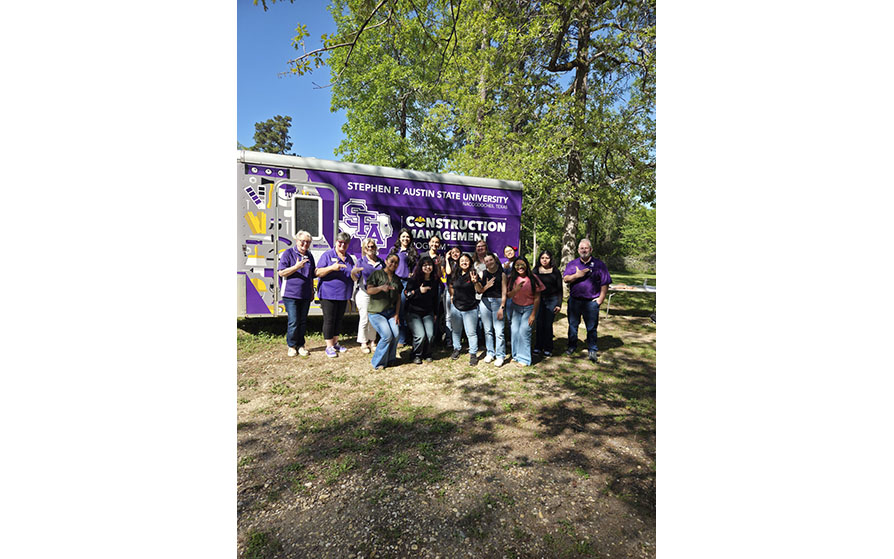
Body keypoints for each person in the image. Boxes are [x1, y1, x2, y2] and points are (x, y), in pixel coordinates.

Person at [563, 238, 611, 363]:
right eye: (581, 248)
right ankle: (572, 346)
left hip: (591, 302)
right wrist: (577, 275)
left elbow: (605, 283)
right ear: (578, 250)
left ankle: (592, 349)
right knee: (573, 325)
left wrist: (600, 299)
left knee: (591, 327)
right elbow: (566, 279)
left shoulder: (599, 264)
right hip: (575, 301)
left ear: (591, 249)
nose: (584, 250)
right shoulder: (572, 264)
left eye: (586, 248)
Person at [315, 232, 356, 358]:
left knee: (338, 319)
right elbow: (318, 272)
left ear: (348, 245)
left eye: (345, 243)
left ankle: (335, 343)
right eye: (340, 242)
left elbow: (352, 274)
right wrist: (332, 268)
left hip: (343, 294)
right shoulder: (328, 255)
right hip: (328, 294)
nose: (342, 245)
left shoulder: (349, 258)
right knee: (329, 320)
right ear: (336, 242)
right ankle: (329, 347)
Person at [277, 230, 315, 357]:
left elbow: (311, 275)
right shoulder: (288, 253)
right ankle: (291, 346)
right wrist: (296, 267)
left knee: (303, 321)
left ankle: (301, 345)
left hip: (305, 294)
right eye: (302, 241)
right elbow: (281, 272)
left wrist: (312, 291)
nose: (305, 244)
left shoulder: (309, 255)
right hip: (290, 294)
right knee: (293, 321)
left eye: (308, 242)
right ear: (297, 241)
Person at [365, 254, 403, 370]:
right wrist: (380, 288)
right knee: (387, 335)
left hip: (390, 313)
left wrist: (396, 314)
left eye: (396, 263)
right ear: (386, 261)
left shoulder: (397, 279)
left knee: (396, 334)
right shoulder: (377, 274)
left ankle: (390, 359)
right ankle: (378, 362)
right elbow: (369, 290)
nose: (393, 264)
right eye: (391, 261)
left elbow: (398, 298)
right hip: (376, 312)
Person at [506, 257, 545, 366]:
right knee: (514, 331)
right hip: (516, 308)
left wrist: (533, 314)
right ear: (514, 267)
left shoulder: (533, 278)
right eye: (517, 265)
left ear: (527, 265)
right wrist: (516, 290)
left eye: (522, 264)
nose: (520, 267)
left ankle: (524, 359)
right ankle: (516, 355)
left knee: (524, 332)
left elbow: (537, 298)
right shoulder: (512, 278)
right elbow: (508, 295)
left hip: (529, 308)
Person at [404, 256, 438, 364]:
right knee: (420, 335)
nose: (428, 267)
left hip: (428, 312)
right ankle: (416, 354)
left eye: (430, 265)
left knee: (430, 335)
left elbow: (436, 299)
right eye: (425, 265)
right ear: (420, 267)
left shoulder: (435, 280)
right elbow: (407, 295)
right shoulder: (414, 279)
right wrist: (419, 290)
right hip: (413, 312)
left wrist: (436, 313)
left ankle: (427, 353)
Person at [448, 253, 480, 366]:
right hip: (456, 307)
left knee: (471, 333)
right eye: (462, 260)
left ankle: (473, 354)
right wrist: (452, 296)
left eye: (466, 260)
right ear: (458, 262)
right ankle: (456, 349)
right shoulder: (455, 274)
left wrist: (475, 282)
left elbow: (479, 290)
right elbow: (450, 285)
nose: (464, 262)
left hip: (470, 308)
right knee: (456, 331)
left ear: (470, 262)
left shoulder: (473, 274)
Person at [388, 228, 418, 347]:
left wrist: (411, 274)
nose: (405, 239)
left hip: (405, 283)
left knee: (401, 311)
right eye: (403, 236)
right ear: (399, 238)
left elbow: (417, 267)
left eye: (408, 237)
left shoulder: (412, 252)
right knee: (390, 310)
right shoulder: (394, 250)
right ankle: (391, 336)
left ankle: (402, 339)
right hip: (393, 283)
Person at [476, 252, 507, 367]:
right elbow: (479, 290)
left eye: (491, 260)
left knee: (499, 331)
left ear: (495, 260)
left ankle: (500, 355)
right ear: (484, 263)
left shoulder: (502, 274)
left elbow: (504, 293)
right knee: (487, 330)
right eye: (487, 261)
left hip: (498, 302)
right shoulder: (482, 273)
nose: (489, 263)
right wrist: (481, 284)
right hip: (485, 303)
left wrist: (502, 307)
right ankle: (490, 353)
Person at [354, 238, 385, 354]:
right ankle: (363, 342)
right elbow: (355, 278)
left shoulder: (381, 262)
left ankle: (373, 341)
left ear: (375, 248)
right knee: (364, 318)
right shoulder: (360, 261)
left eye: (372, 246)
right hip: (364, 293)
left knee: (374, 318)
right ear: (364, 249)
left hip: (377, 294)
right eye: (367, 247)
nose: (370, 249)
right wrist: (353, 273)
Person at [533, 250, 563, 357]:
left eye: (547, 258)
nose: (544, 260)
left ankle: (548, 347)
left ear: (550, 259)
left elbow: (560, 289)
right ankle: (538, 346)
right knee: (539, 323)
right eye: (542, 258)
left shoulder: (555, 271)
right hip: (539, 300)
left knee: (548, 324)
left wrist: (559, 304)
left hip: (552, 299)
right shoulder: (535, 270)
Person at [443, 245, 461, 351]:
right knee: (448, 316)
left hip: (460, 292)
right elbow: (448, 273)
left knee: (458, 317)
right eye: (453, 252)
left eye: (457, 252)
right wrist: (446, 259)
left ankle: (457, 340)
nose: (455, 254)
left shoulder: (463, 263)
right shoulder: (448, 263)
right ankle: (449, 340)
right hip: (449, 291)